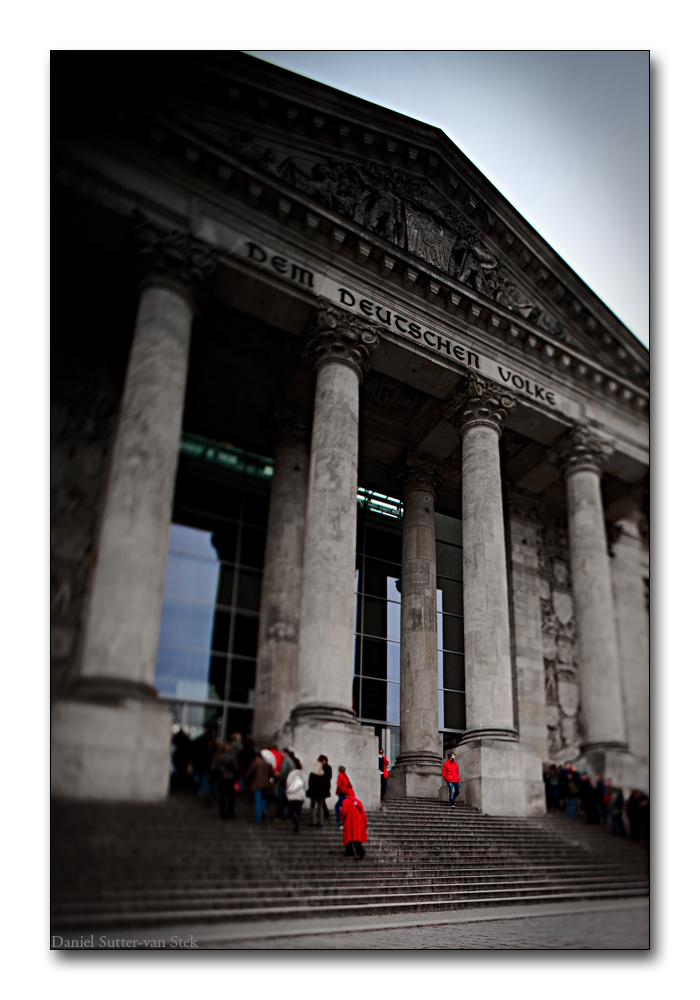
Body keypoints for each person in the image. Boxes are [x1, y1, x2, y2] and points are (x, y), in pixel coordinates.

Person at [211, 740, 238, 819]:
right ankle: (230, 812)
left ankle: (222, 813)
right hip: (230, 778)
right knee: (230, 797)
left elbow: (213, 769)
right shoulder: (231, 757)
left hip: (221, 778)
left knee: (222, 796)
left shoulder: (217, 757)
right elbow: (235, 768)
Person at [245, 750, 273, 823]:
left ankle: (258, 818)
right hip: (266, 785)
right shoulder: (267, 764)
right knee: (264, 800)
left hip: (257, 785)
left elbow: (248, 774)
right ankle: (263, 810)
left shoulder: (254, 763)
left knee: (257, 801)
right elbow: (272, 774)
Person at [340, 792, 368, 859]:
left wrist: (342, 819)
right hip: (359, 821)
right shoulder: (358, 801)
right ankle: (360, 851)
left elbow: (343, 812)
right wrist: (365, 823)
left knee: (348, 836)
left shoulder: (345, 801)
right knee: (356, 837)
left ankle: (350, 852)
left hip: (349, 821)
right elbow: (362, 813)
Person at [285, 753, 305, 833]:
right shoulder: (302, 774)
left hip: (293, 796)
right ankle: (297, 821)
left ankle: (296, 822)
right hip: (300, 796)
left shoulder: (291, 773)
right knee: (297, 810)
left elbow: (288, 783)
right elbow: (305, 784)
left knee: (293, 810)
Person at [275, 748, 295, 821]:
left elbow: (283, 772)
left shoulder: (286, 760)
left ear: (285, 753)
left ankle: (280, 815)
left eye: (281, 753)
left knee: (281, 799)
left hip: (284, 783)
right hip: (289, 782)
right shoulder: (290, 761)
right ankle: (289, 815)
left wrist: (279, 780)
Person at [307, 759, 326, 827]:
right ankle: (320, 822)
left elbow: (310, 784)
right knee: (320, 807)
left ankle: (312, 821)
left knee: (312, 807)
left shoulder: (312, 775)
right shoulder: (323, 775)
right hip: (321, 793)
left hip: (313, 793)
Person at [319, 755, 332, 819]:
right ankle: (324, 813)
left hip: (324, 786)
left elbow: (329, 777)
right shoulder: (322, 767)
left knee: (322, 800)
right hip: (323, 786)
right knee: (322, 800)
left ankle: (325, 813)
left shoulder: (327, 767)